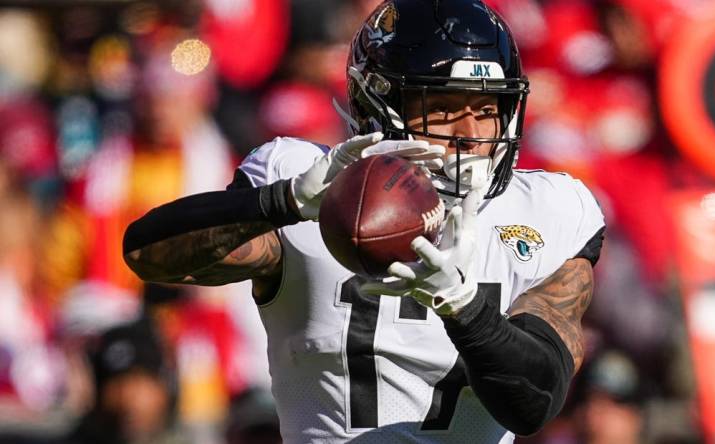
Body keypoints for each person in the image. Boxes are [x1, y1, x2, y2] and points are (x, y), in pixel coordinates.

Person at [123, 0, 605, 442]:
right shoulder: (299, 178)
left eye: (486, 110)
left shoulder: (548, 211)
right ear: (378, 106)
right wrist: (282, 202)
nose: (470, 136)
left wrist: (462, 305)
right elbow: (146, 254)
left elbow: (532, 404)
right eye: (441, 109)